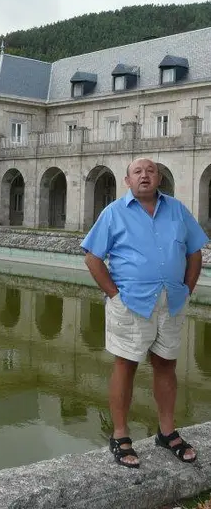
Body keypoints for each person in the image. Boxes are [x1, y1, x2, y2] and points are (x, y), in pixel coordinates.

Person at [81, 158, 209, 469]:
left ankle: (167, 432)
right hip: (131, 303)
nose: (145, 176)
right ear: (128, 181)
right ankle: (120, 435)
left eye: (150, 171)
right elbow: (93, 258)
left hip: (171, 302)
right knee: (125, 365)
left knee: (166, 365)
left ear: (159, 178)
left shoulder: (177, 209)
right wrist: (115, 296)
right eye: (137, 172)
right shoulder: (114, 212)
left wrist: (187, 289)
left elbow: (194, 252)